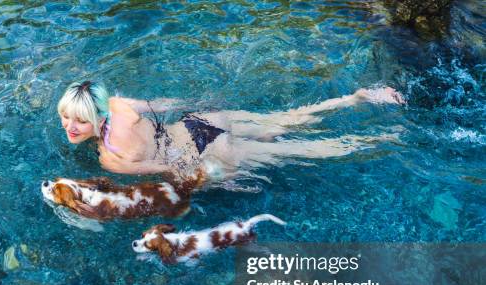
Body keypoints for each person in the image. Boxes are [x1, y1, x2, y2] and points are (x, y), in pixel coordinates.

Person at [57, 81, 405, 183]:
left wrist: (222, 178)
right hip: (203, 122)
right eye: (66, 118)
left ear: (96, 117)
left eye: (79, 120)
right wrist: (206, 103)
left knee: (301, 150)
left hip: (209, 152)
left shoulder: (111, 158)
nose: (70, 127)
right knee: (287, 119)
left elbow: (170, 170)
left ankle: (383, 140)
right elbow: (167, 102)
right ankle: (355, 98)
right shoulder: (119, 103)